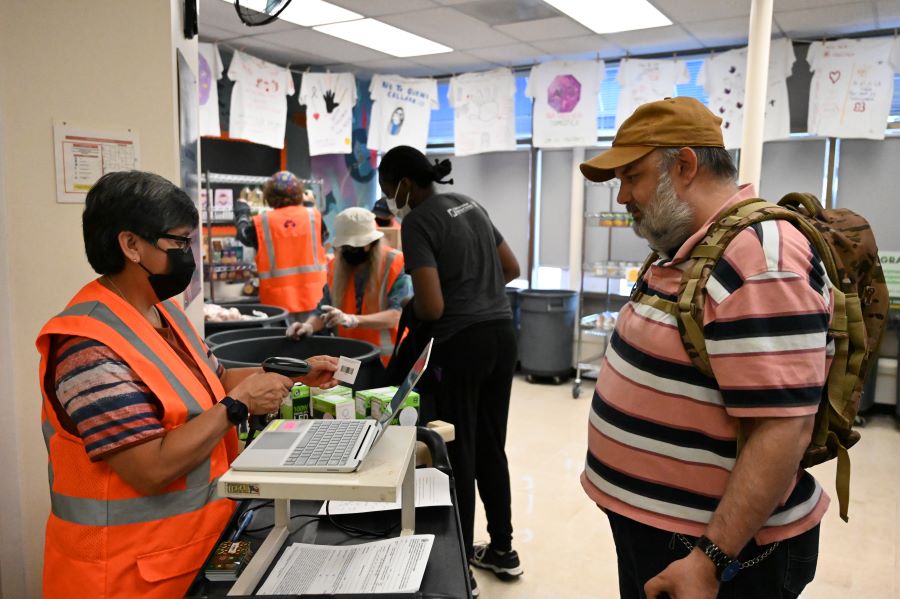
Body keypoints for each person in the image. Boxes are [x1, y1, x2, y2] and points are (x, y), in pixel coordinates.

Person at [37, 171, 338, 599]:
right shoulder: (88, 347)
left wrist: (293, 373)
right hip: (125, 578)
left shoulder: (166, 315)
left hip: (194, 554)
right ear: (131, 245)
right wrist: (237, 406)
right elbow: (150, 469)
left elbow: (213, 382)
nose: (188, 254)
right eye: (178, 243)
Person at [578, 97, 832, 599]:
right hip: (665, 536)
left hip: (723, 558)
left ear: (685, 165)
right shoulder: (690, 244)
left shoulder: (760, 257)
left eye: (631, 177)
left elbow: (784, 430)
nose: (622, 196)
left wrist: (710, 561)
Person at [378, 146, 523, 596]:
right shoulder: (472, 204)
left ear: (404, 184)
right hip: (503, 335)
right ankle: (503, 550)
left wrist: (417, 304)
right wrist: (477, 289)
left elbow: (432, 306)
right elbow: (512, 268)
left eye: (388, 191)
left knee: (459, 453)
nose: (389, 200)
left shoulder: (418, 221)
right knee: (491, 445)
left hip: (462, 344)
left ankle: (459, 568)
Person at [286, 207, 412, 367]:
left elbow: (396, 315)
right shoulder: (335, 267)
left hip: (387, 360)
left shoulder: (394, 264)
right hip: (348, 358)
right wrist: (308, 326)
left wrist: (352, 320)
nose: (350, 252)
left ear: (371, 244)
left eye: (355, 247)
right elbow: (324, 309)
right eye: (345, 247)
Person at [234, 170, 327, 321]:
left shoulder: (262, 222)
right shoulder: (314, 216)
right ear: (299, 192)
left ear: (269, 194)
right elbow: (320, 239)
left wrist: (242, 212)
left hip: (277, 307)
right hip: (314, 301)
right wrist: (309, 204)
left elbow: (243, 234)